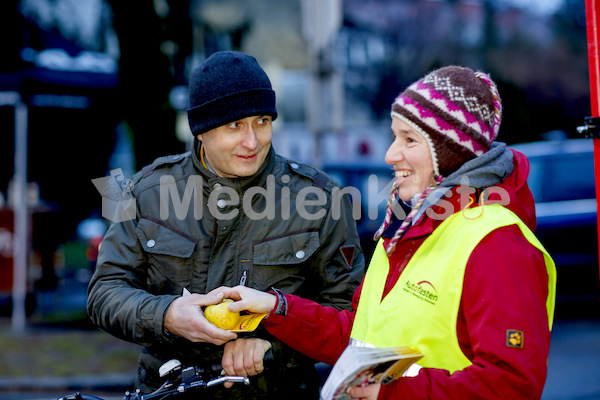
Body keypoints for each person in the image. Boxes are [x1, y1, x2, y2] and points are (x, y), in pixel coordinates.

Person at [216, 66, 557, 399]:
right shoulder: (405, 228)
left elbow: (512, 384)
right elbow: (359, 337)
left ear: (451, 153)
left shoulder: (496, 243)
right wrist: (276, 308)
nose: (390, 154)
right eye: (394, 136)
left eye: (409, 140)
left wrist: (393, 393)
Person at [86, 50, 366, 399]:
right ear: (200, 130)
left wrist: (272, 351)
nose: (252, 141)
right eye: (235, 125)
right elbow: (105, 292)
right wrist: (167, 314)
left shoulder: (321, 200)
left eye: (262, 121)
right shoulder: (147, 192)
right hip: (167, 392)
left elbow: (351, 317)